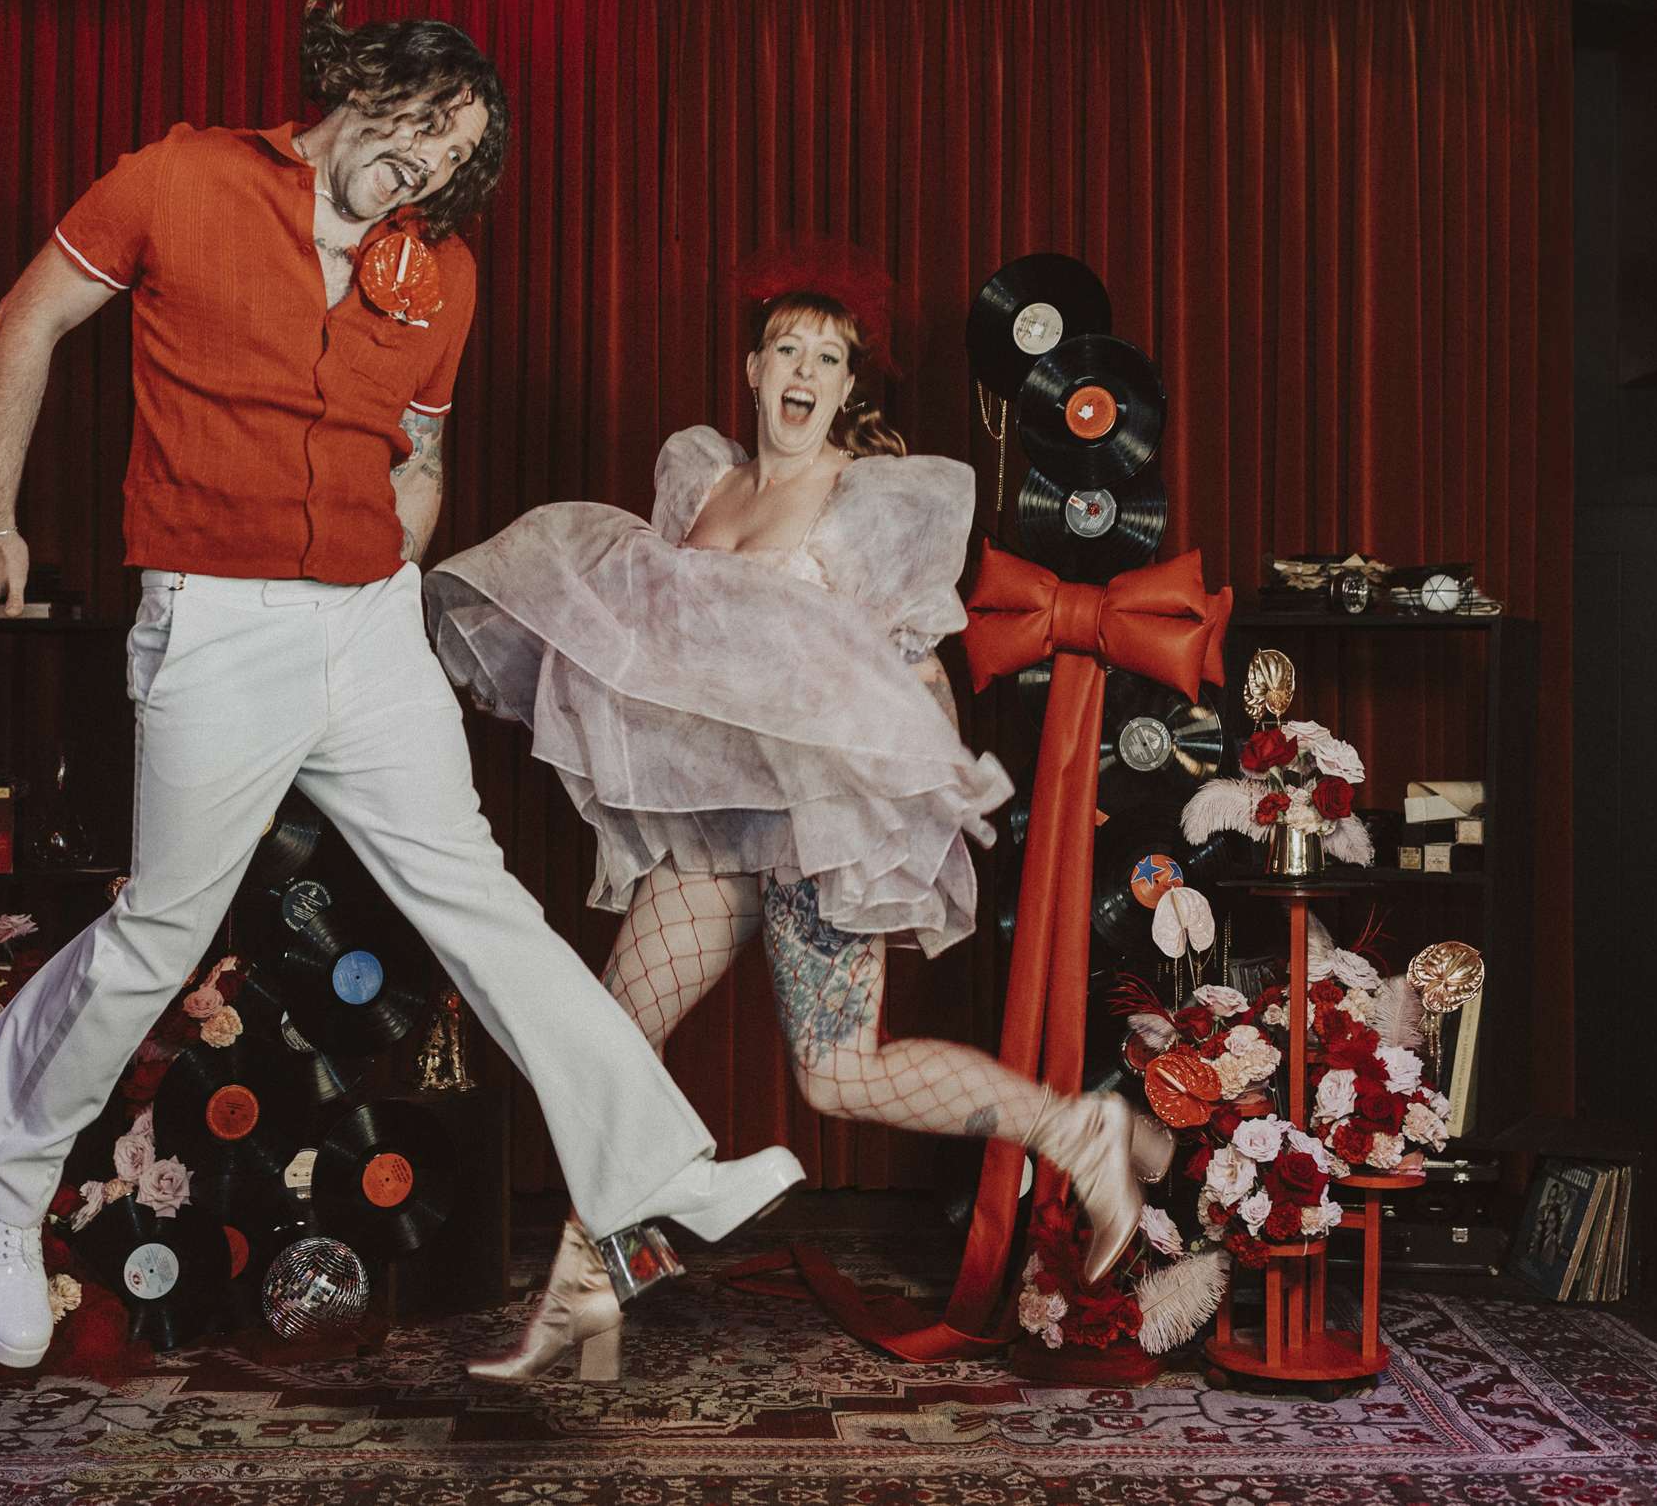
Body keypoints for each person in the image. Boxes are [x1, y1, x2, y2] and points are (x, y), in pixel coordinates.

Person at [0, 0, 801, 1371]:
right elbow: (28, 320)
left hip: (369, 618)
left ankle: (655, 1165)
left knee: (479, 898)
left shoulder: (439, 272)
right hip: (217, 616)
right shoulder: (179, 179)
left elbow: (422, 453)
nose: (426, 175)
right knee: (161, 931)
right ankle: (5, 1171)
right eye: (421, 136)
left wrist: (401, 549)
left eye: (453, 165)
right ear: (364, 85)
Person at [426, 243, 1170, 1381]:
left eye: (828, 356)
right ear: (752, 367)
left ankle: (1076, 1128)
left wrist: (931, 776)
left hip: (822, 823)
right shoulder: (701, 483)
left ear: (847, 384)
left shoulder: (865, 501)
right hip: (718, 820)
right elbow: (654, 642)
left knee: (837, 1074)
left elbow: (909, 665)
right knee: (609, 1042)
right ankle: (594, 1284)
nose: (804, 371)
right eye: (787, 348)